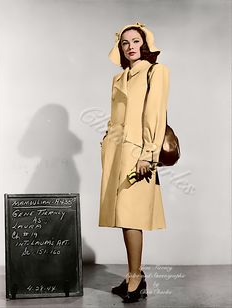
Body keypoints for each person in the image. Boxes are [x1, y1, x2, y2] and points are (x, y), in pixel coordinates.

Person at [99, 22, 170, 303]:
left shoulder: (156, 71)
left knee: (131, 217)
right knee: (123, 218)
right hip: (117, 153)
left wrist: (148, 154)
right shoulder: (119, 78)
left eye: (136, 41)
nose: (130, 46)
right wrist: (106, 142)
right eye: (125, 42)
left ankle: (135, 279)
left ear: (145, 44)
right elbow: (115, 116)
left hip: (139, 153)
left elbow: (155, 115)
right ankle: (133, 276)